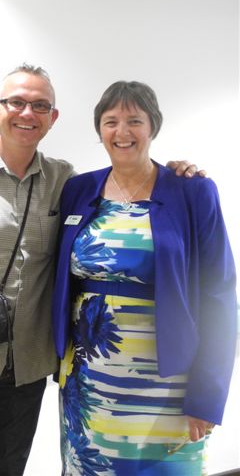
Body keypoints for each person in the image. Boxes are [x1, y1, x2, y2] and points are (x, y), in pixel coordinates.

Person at [0, 65, 200, 476]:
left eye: (40, 106)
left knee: (7, 470)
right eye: (17, 102)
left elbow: (126, 192)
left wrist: (179, 174)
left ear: (53, 117)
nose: (28, 113)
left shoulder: (66, 182)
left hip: (29, 363)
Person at [51, 81, 236, 475]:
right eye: (111, 121)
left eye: (134, 120)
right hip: (91, 380)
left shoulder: (193, 191)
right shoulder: (78, 190)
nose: (122, 132)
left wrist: (207, 396)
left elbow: (220, 296)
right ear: (99, 130)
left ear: (153, 127)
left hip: (170, 382)